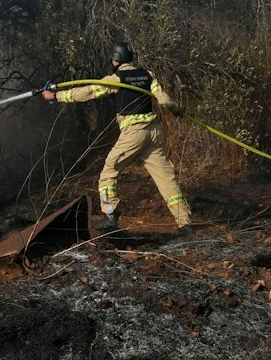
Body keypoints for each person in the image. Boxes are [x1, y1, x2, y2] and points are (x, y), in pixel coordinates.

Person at [41, 43, 192, 230]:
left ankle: (110, 215)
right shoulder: (148, 74)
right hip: (154, 132)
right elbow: (165, 100)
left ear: (115, 60)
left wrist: (56, 96)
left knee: (108, 173)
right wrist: (177, 111)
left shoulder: (116, 78)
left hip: (133, 133)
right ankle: (185, 222)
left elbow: (88, 91)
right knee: (165, 178)